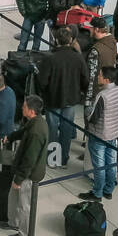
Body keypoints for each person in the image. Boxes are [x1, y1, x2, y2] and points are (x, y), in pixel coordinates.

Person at [36, 26, 88, 170]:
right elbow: (85, 79)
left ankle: (53, 159)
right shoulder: (78, 57)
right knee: (66, 129)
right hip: (71, 99)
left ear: (56, 40)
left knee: (52, 129)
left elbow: (42, 81)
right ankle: (64, 159)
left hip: (53, 99)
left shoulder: (51, 58)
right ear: (71, 40)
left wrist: (45, 92)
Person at [6, 96, 49, 236]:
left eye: (24, 106)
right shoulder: (34, 122)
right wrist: (10, 137)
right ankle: (13, 223)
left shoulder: (36, 131)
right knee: (14, 197)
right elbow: (23, 131)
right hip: (23, 171)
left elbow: (30, 159)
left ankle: (24, 234)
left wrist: (19, 179)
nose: (21, 108)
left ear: (31, 111)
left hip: (29, 175)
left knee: (24, 204)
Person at [82, 67, 118, 203]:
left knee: (99, 166)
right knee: (111, 163)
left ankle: (97, 192)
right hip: (115, 133)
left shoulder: (103, 95)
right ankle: (109, 189)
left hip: (100, 135)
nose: (97, 77)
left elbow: (93, 118)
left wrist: (88, 111)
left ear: (106, 79)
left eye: (99, 75)